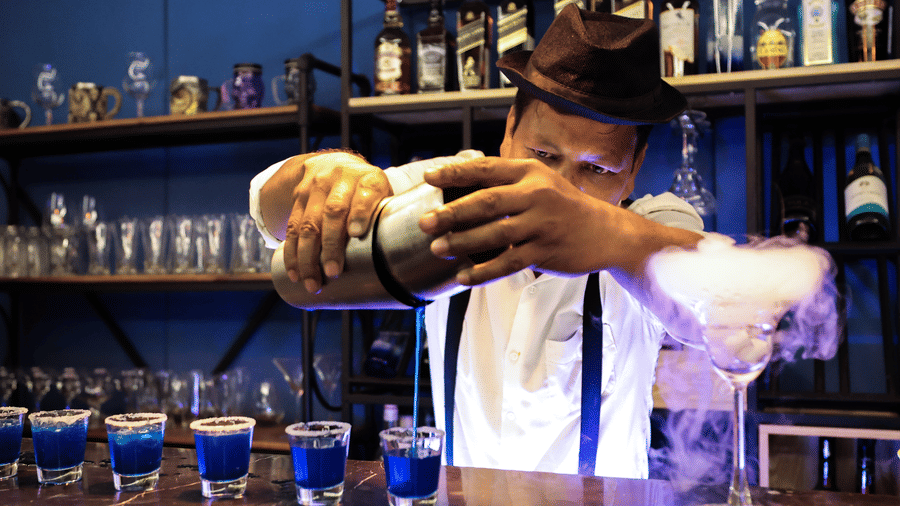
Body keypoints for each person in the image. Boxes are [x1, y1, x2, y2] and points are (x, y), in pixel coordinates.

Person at [250, 5, 705, 479]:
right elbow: (269, 209)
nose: (559, 189)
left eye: (598, 169)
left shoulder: (654, 223)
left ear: (633, 169)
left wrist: (611, 237)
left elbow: (726, 308)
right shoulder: (457, 192)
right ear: (509, 132)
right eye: (543, 155)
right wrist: (331, 173)